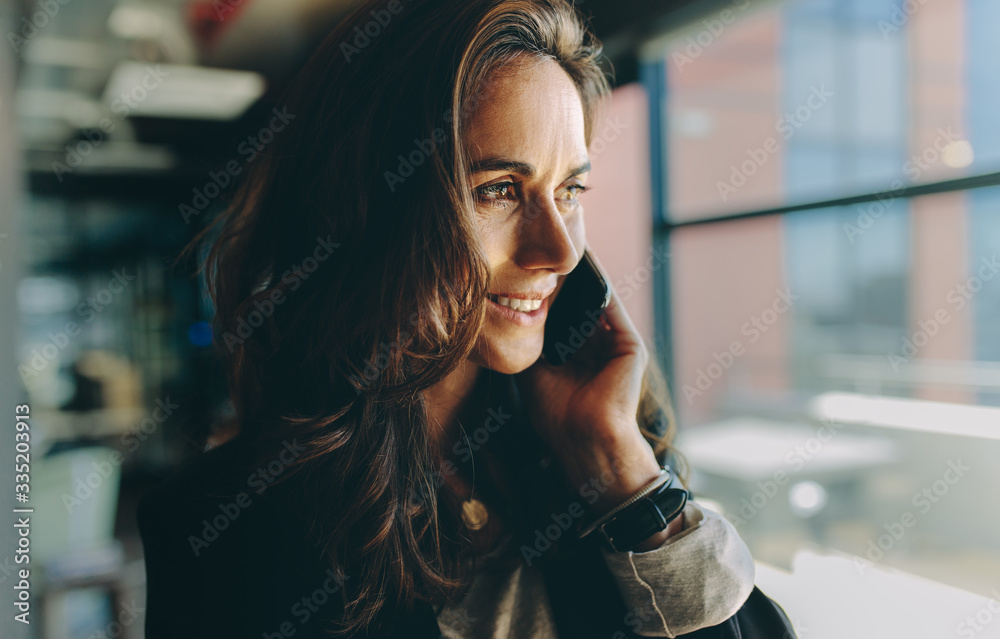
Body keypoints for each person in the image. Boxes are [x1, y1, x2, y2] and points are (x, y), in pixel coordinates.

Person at [137, 0, 797, 637]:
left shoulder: (600, 438)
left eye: (569, 190)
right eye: (500, 190)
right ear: (371, 207)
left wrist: (621, 471)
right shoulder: (225, 531)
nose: (561, 249)